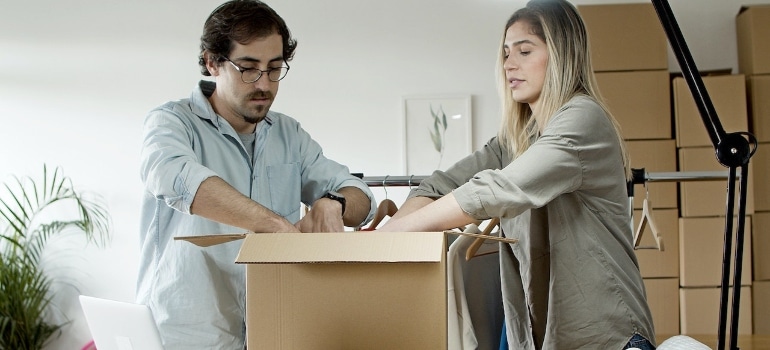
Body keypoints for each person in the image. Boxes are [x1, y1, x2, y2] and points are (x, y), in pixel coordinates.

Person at [378, 0, 656, 349]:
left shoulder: (583, 120)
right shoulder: (516, 141)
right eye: (506, 52)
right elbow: (438, 184)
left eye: (525, 51)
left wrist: (394, 231)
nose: (509, 64)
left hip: (609, 338)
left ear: (561, 54)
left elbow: (499, 190)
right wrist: (389, 239)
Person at [136, 1, 376, 348]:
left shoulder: (289, 135)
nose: (264, 84)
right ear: (211, 63)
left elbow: (360, 195)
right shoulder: (171, 122)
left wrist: (333, 203)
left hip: (273, 331)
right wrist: (273, 225)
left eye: (274, 68)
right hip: (185, 337)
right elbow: (173, 176)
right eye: (248, 68)